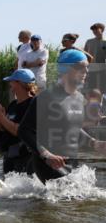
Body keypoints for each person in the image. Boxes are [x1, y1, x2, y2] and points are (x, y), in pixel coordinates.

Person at [17, 49, 106, 183]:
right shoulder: (46, 97)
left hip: (71, 162)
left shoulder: (79, 98)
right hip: (49, 164)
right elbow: (24, 130)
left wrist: (94, 143)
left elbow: (73, 128)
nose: (86, 72)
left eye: (87, 68)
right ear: (66, 69)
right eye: (81, 67)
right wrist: (46, 155)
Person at [0, 69, 38, 175]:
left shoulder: (32, 104)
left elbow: (19, 131)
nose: (10, 84)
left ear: (19, 84)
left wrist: (0, 116)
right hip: (10, 155)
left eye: (12, 81)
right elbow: (3, 128)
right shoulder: (13, 104)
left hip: (24, 156)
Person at [85, 23, 106, 94]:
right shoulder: (89, 42)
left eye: (96, 30)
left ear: (102, 30)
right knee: (91, 90)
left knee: (102, 90)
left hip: (102, 70)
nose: (94, 32)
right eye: (93, 31)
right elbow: (85, 56)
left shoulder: (105, 42)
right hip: (91, 70)